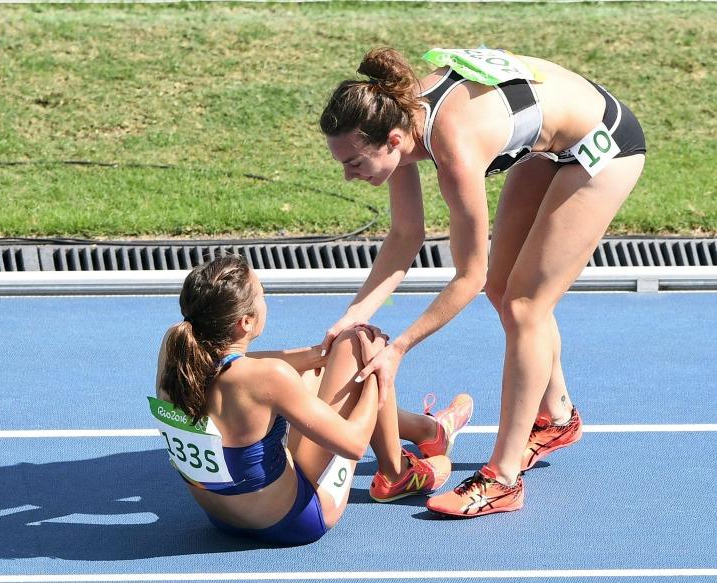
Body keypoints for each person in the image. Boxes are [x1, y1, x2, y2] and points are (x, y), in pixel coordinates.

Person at [319, 47, 646, 517]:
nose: (349, 176)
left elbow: (469, 276)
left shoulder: (454, 148)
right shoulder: (398, 117)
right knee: (504, 288)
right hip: (549, 143)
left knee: (524, 306)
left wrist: (398, 349)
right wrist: (353, 316)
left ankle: (503, 479)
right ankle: (557, 417)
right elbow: (406, 235)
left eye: (354, 163)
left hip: (605, 144)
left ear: (393, 140)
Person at [150, 255, 470, 545]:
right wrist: (376, 369)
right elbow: (355, 444)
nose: (265, 301)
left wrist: (314, 356)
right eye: (262, 295)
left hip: (223, 518)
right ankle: (397, 473)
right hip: (297, 519)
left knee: (312, 375)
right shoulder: (270, 377)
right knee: (358, 342)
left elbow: (240, 367)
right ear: (245, 322)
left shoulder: (176, 348)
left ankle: (427, 431)